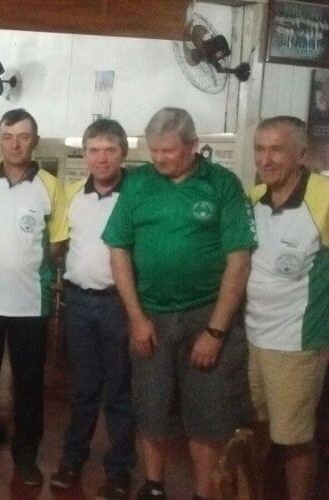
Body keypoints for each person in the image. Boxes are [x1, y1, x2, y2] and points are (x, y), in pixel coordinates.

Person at [103, 107, 255, 500]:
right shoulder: (138, 184)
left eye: (168, 151)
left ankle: (203, 493)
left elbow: (239, 261)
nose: (159, 159)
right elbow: (118, 249)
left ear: (192, 146)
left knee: (209, 416)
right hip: (150, 316)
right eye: (154, 151)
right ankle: (154, 486)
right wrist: (136, 317)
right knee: (151, 408)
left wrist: (216, 331)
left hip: (205, 316)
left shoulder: (222, 184)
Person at [0, 109, 65, 486]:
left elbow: (57, 245)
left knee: (29, 386)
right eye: (8, 136)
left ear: (34, 140)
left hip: (29, 307)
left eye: (23, 136)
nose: (16, 143)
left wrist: (26, 268)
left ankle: (26, 458)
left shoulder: (51, 187)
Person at [49, 118, 135, 499]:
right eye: (94, 150)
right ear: (84, 153)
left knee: (119, 392)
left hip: (121, 305)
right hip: (80, 304)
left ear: (123, 153)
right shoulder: (71, 195)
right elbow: (59, 244)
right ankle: (72, 459)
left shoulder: (138, 195)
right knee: (83, 390)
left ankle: (119, 471)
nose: (101, 159)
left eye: (110, 150)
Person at [246, 116, 329, 500]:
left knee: (294, 439)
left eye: (276, 149)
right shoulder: (253, 199)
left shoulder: (325, 198)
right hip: (251, 337)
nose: (266, 158)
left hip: (297, 343)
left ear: (301, 153)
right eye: (260, 148)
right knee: (257, 429)